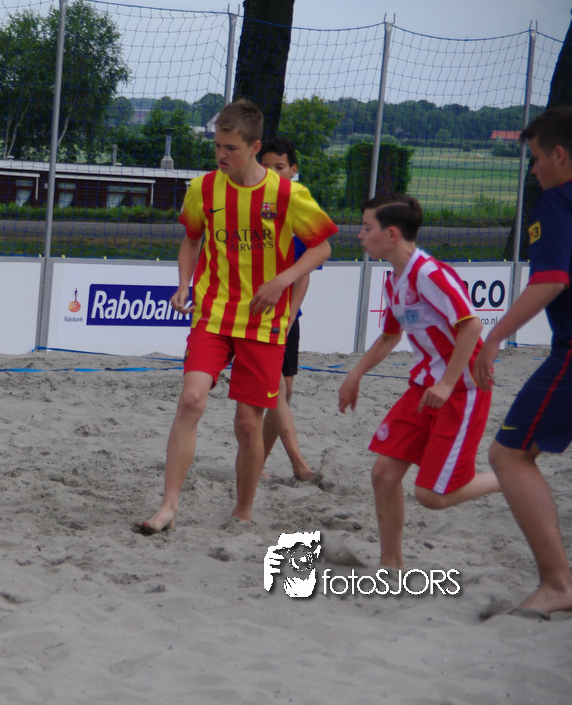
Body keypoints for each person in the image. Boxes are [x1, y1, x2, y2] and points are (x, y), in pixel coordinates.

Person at [134, 100, 337, 533]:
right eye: (217, 146)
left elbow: (322, 248)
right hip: (212, 314)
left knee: (247, 425)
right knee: (191, 399)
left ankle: (242, 511)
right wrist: (184, 283)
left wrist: (282, 281)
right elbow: (191, 240)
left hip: (263, 322)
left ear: (255, 146)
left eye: (231, 148)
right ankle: (168, 507)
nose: (221, 155)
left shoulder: (288, 194)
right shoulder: (203, 188)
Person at [338, 194, 500, 568]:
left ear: (392, 234)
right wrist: (354, 375)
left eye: (366, 227)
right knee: (383, 474)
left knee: (431, 496)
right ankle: (391, 564)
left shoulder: (430, 274)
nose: (360, 235)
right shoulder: (394, 280)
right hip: (423, 388)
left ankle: (510, 478)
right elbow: (389, 337)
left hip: (461, 391)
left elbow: (472, 326)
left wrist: (447, 383)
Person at [471, 106, 572, 613]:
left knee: (509, 455)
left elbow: (551, 280)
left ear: (559, 155)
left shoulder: (554, 203)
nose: (533, 170)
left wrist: (494, 337)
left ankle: (557, 585)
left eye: (535, 158)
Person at [257, 137, 316, 482]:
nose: (272, 173)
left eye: (279, 167)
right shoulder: (252, 206)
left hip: (287, 316)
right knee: (275, 391)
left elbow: (304, 275)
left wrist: (290, 317)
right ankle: (298, 463)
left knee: (286, 391)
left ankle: (257, 463)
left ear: (293, 170)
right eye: (265, 167)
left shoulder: (299, 208)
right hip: (255, 314)